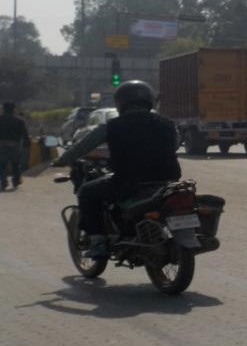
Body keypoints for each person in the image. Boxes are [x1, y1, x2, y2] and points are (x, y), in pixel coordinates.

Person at [55, 81, 181, 259]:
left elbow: (82, 147)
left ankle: (98, 242)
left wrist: (62, 159)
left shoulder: (113, 125)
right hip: (166, 182)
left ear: (121, 102)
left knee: (86, 191)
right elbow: (174, 145)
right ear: (150, 101)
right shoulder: (167, 124)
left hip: (129, 182)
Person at [0, 102, 29, 191]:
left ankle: (3, 182)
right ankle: (15, 181)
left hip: (2, 145)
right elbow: (24, 134)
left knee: (2, 165)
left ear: (4, 109)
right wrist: (26, 143)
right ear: (13, 110)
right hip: (15, 145)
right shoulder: (19, 121)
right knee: (15, 164)